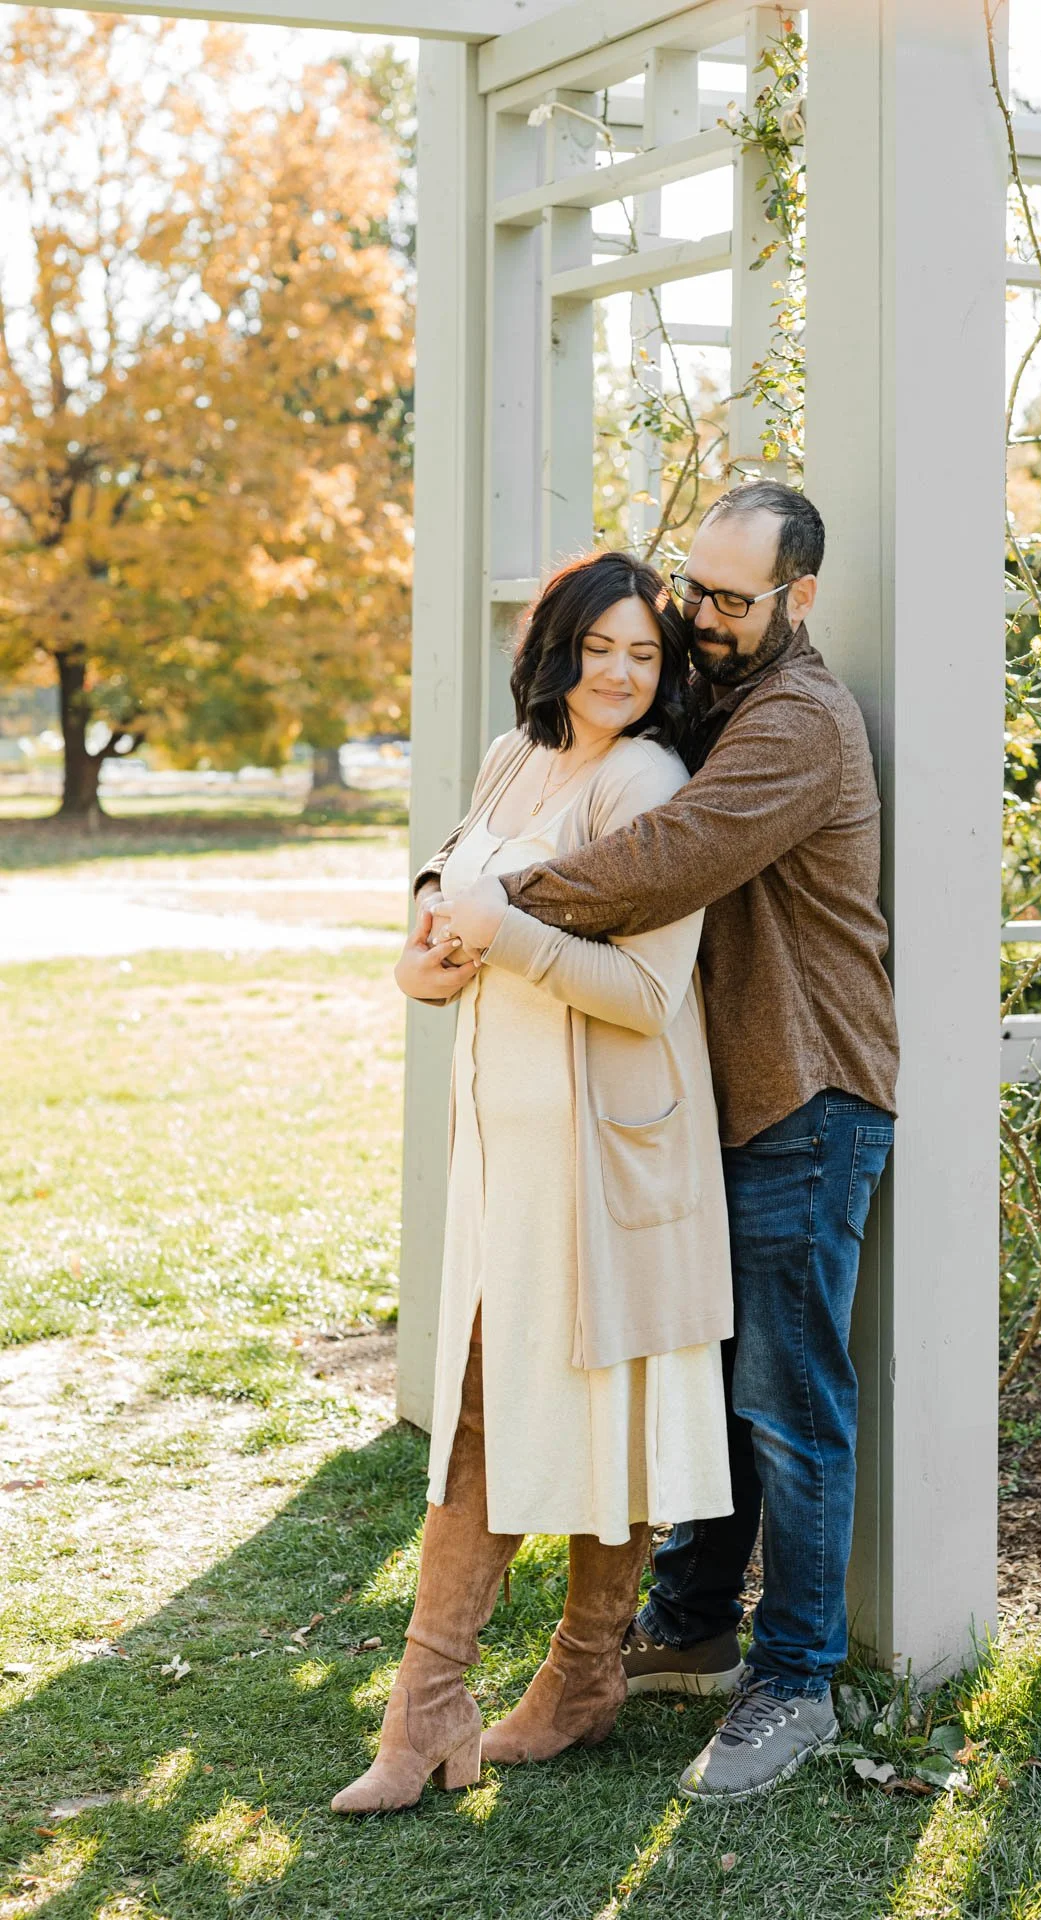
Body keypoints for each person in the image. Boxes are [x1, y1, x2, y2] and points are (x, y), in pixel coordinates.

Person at [439, 481, 899, 1802]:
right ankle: (692, 1625)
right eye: (693, 587)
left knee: (788, 1403)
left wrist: (487, 904)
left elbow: (664, 858)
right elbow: (570, 771)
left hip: (806, 1095)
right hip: (721, 1100)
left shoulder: (797, 721)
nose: (699, 615)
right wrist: (451, 878)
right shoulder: (714, 691)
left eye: (729, 599)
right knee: (715, 1381)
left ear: (799, 598)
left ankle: (795, 1679)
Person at [331, 550, 734, 1815]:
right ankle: (518, 1695)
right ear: (554, 650)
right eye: (597, 648)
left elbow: (645, 994)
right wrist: (425, 957)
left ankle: (483, 1696)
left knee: (549, 1414)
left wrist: (505, 935)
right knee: (494, 1404)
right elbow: (448, 886)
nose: (617, 673)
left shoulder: (646, 782)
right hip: (500, 1155)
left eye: (643, 655)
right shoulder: (516, 755)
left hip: (603, 1158)